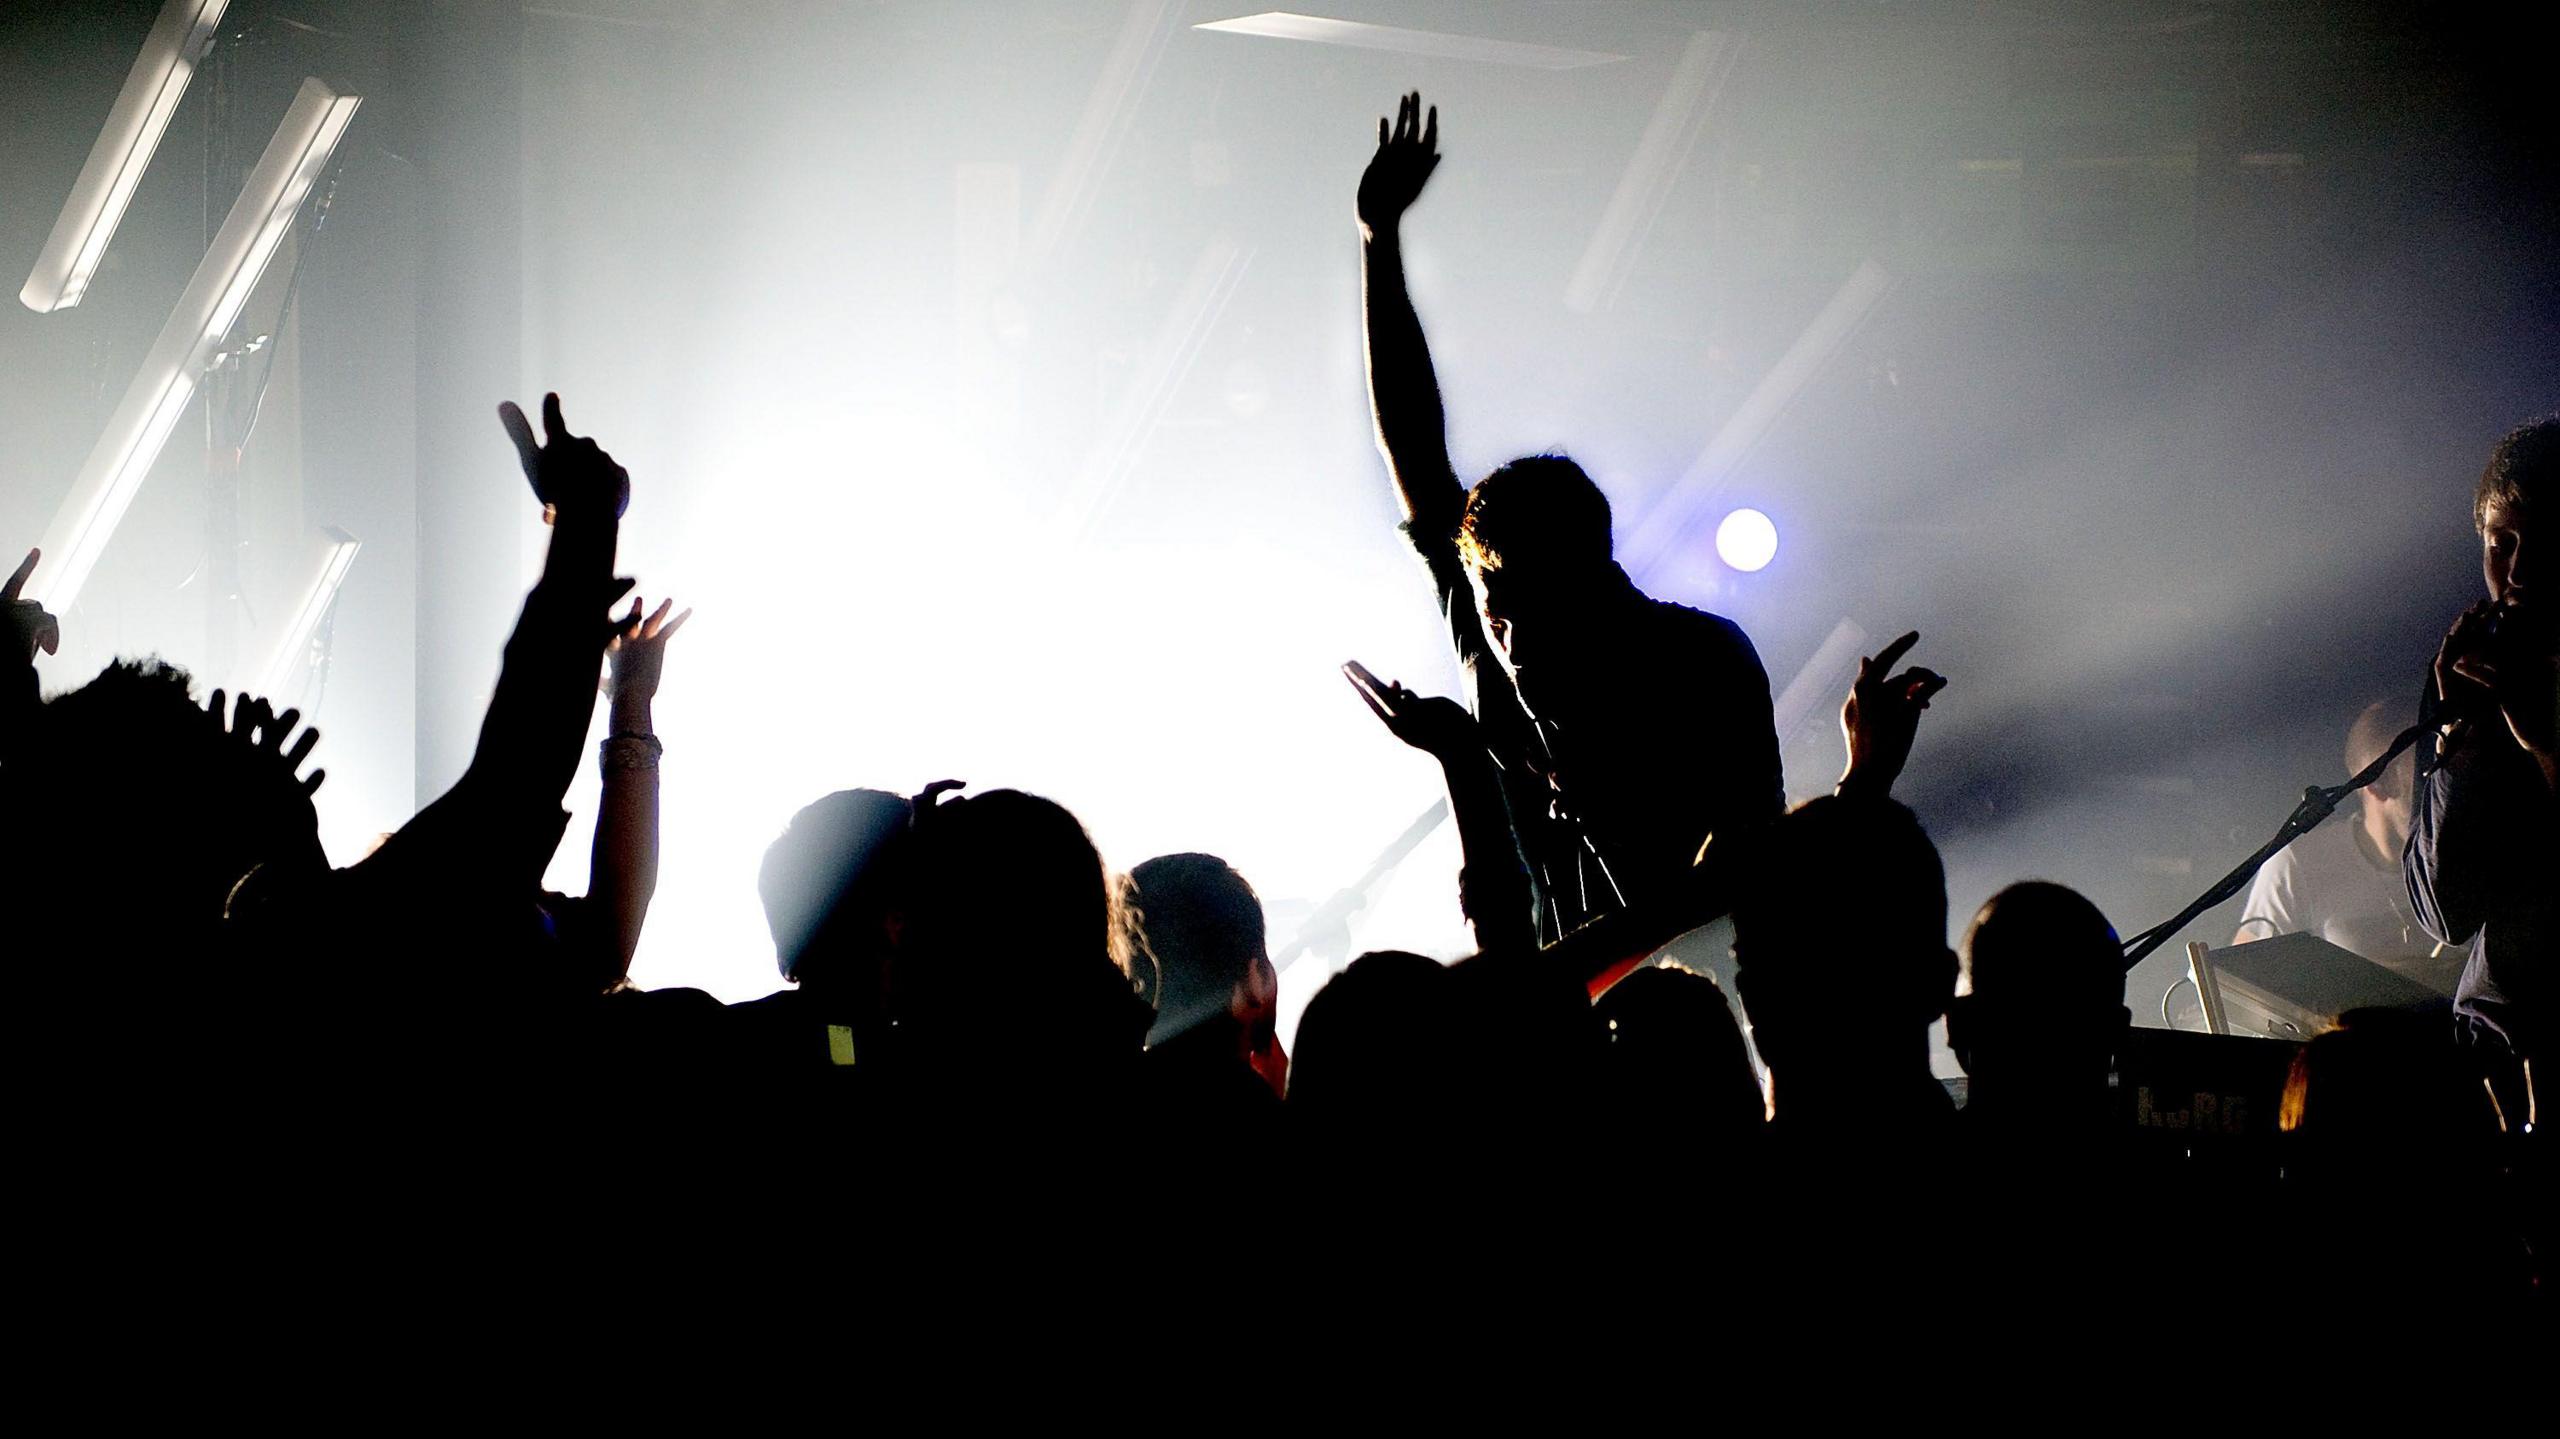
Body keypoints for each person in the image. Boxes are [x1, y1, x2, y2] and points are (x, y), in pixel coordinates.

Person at [1356, 92, 1784, 943]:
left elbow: (1739, 884)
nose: (1508, 636)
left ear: (1596, 580)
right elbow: (1415, 450)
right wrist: (1378, 241)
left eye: (1529, 609)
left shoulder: (1702, 663)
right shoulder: (1495, 636)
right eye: (1495, 612)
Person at [2406, 416, 2555, 1075]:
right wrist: (2453, 744)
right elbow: (2444, 913)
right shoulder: (2471, 675)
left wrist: (2545, 747)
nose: (2518, 567)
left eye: (2543, 541)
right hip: (2493, 1038)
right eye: (2501, 543)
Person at [2233, 701, 2454, 992]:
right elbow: (2248, 980)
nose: (2439, 785)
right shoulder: (2299, 864)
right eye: (2424, 771)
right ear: (2377, 785)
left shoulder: (2465, 852)